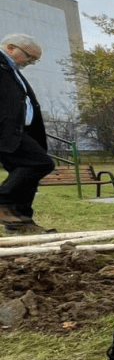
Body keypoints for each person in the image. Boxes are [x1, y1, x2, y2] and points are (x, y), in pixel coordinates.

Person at [0, 34, 56, 235]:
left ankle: (21, 220)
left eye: (35, 60)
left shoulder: (11, 71)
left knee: (25, 172)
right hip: (5, 131)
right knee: (42, 163)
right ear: (12, 48)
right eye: (29, 57)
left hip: (21, 131)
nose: (30, 63)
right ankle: (3, 201)